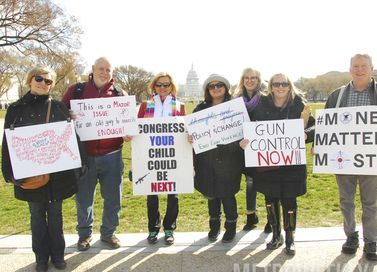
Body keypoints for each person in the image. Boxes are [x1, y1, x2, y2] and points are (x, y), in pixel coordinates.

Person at [2, 67, 80, 271]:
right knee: (36, 215)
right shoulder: (15, 108)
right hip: (30, 174)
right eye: (39, 79)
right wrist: (9, 172)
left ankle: (57, 256)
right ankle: (41, 259)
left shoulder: (58, 107)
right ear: (30, 80)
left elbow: (70, 138)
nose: (43, 83)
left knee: (55, 216)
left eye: (48, 81)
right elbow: (7, 143)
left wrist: (78, 165)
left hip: (57, 174)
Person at [324, 54, 377, 261]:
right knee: (346, 201)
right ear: (350, 69)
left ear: (371, 68)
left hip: (373, 160)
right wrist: (322, 146)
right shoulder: (337, 96)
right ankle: (351, 236)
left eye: (363, 66)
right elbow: (326, 127)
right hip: (343, 158)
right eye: (355, 66)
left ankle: (371, 241)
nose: (359, 70)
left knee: (370, 203)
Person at [240, 73, 314, 255]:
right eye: (276, 84)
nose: (280, 87)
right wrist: (244, 140)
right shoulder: (261, 104)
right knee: (270, 200)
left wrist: (306, 135)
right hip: (267, 165)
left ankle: (290, 238)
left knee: (289, 201)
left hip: (291, 165)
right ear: (271, 86)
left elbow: (314, 126)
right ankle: (275, 235)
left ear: (289, 86)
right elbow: (247, 127)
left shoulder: (299, 105)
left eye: (284, 83)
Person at [62, 57, 128, 251]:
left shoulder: (119, 93)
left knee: (114, 198)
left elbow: (127, 122)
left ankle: (108, 233)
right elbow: (60, 112)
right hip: (84, 156)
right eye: (101, 68)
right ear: (92, 69)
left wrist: (127, 133)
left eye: (108, 69)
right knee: (83, 199)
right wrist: (68, 114)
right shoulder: (77, 90)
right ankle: (84, 234)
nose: (104, 72)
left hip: (112, 155)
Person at [192, 74, 244, 243]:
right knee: (211, 196)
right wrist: (191, 137)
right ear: (207, 90)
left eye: (219, 85)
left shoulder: (235, 107)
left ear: (225, 87)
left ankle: (231, 227)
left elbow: (242, 133)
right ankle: (214, 226)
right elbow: (192, 132)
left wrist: (233, 145)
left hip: (229, 159)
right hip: (206, 161)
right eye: (211, 86)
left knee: (228, 196)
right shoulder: (200, 109)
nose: (215, 88)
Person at [137, 72, 185, 245]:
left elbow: (184, 131)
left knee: (173, 193)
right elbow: (137, 130)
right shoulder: (145, 106)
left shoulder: (180, 106)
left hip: (173, 156)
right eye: (159, 84)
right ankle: (153, 228)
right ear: (153, 86)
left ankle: (170, 228)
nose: (163, 88)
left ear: (172, 86)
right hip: (151, 156)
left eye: (166, 85)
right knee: (152, 194)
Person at [233, 68, 271, 233]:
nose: (250, 80)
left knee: (269, 182)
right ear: (242, 80)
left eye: (254, 78)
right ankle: (251, 215)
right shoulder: (235, 100)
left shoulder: (266, 98)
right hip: (244, 146)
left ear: (259, 80)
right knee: (250, 182)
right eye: (247, 78)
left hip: (263, 146)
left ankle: (271, 218)